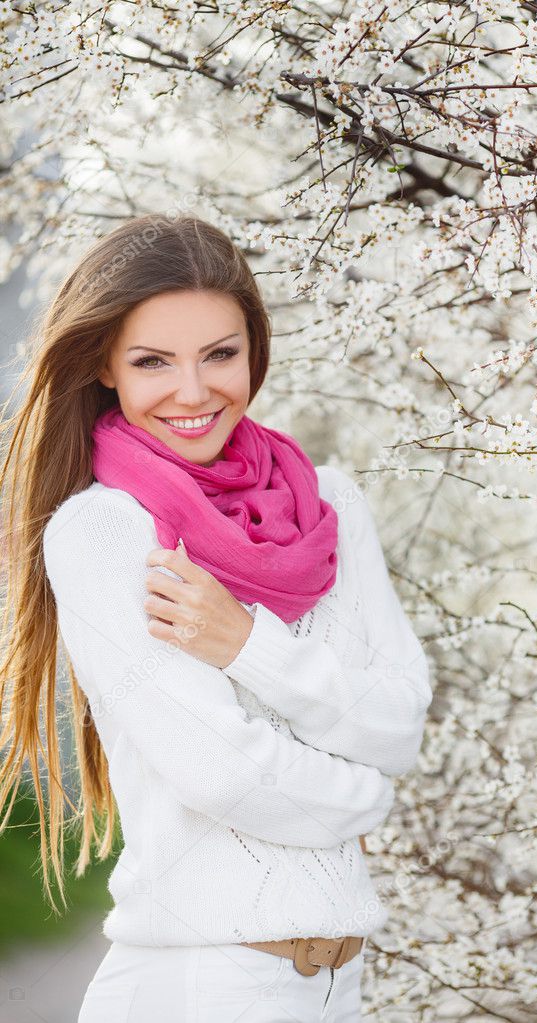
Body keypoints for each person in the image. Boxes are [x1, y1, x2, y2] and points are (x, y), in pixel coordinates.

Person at [0, 214, 433, 1022]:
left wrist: (247, 643)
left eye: (220, 355)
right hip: (201, 987)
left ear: (254, 350)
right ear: (105, 365)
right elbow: (223, 770)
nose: (194, 391)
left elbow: (401, 722)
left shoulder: (332, 504)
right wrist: (369, 797)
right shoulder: (105, 531)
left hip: (342, 987)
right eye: (153, 361)